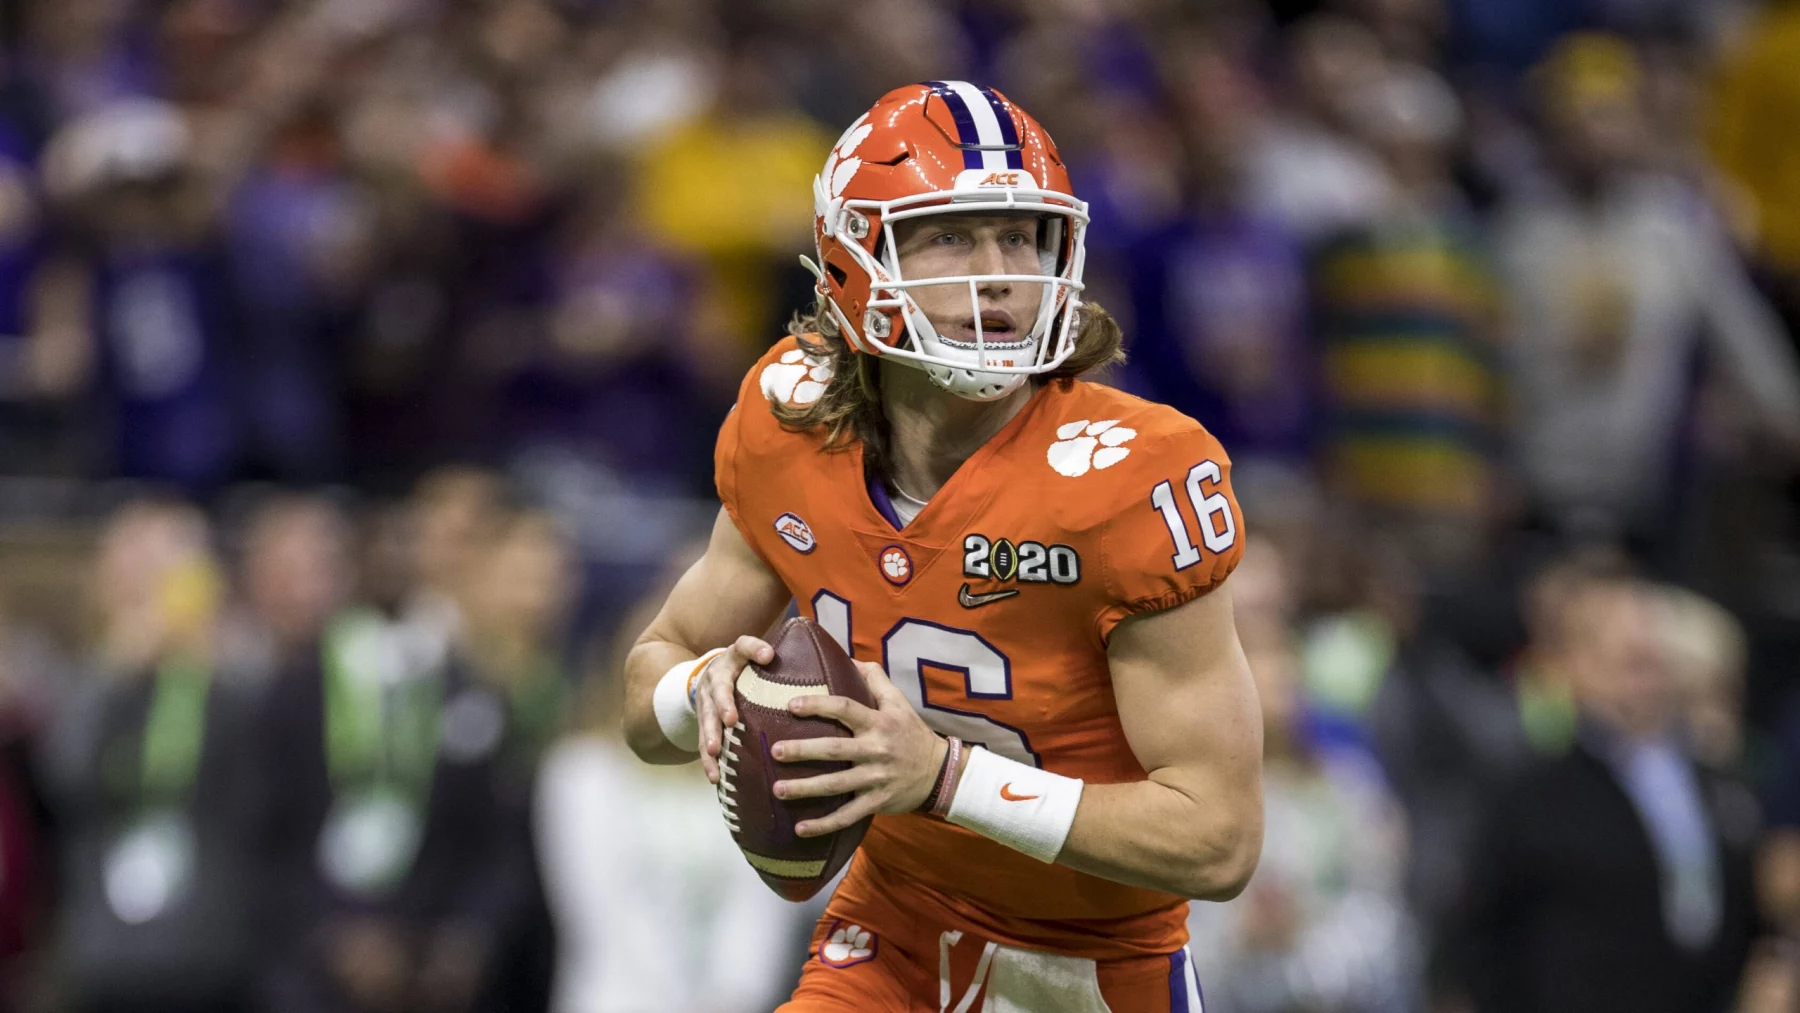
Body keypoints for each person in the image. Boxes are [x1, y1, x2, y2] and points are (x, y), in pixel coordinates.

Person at [622, 82, 1263, 1011]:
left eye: (1020, 237)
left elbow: (1221, 839)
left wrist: (942, 777)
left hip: (1095, 969)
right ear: (854, 259)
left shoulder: (1135, 476)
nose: (997, 272)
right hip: (892, 934)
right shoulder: (788, 422)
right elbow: (647, 695)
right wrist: (699, 691)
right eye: (952, 235)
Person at [1447, 572, 1759, 1013]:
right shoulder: (1533, 793)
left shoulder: (1717, 781)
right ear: (1575, 666)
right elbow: (1478, 931)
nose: (1644, 679)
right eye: (1628, 661)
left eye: (1653, 659)